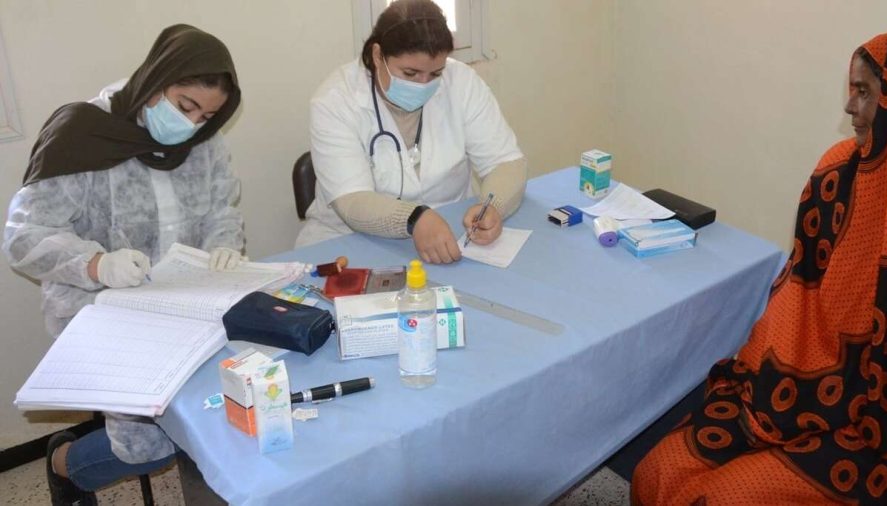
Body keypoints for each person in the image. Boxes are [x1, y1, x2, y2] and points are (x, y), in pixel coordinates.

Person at [631, 31, 887, 505]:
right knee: (656, 471)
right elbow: (799, 295)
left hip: (885, 432)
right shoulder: (836, 174)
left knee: (721, 498)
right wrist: (786, 383)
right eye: (851, 90)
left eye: (864, 92)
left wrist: (852, 396)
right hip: (801, 382)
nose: (850, 108)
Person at [3, 24, 243, 505]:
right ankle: (64, 464)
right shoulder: (82, 133)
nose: (193, 124)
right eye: (185, 106)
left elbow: (222, 209)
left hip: (184, 301)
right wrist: (96, 264)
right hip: (98, 307)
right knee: (147, 446)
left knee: (222, 402)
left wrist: (225, 247)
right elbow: (23, 237)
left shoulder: (204, 140)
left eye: (207, 115)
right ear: (155, 83)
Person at [295, 0, 527, 264]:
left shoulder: (462, 83)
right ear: (377, 55)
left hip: (448, 236)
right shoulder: (336, 100)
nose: (423, 84)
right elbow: (352, 201)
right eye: (410, 73)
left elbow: (506, 162)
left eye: (435, 73)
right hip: (348, 243)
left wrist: (492, 208)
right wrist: (415, 218)